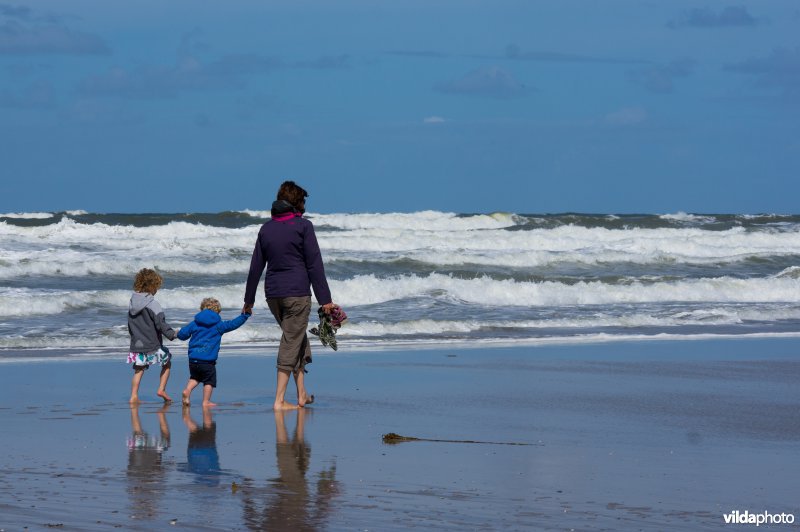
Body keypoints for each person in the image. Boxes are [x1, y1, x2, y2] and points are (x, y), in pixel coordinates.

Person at [243, 180, 336, 410]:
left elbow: (255, 267)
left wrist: (249, 300)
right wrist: (325, 300)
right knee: (291, 341)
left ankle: (301, 394)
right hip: (297, 294)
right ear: (296, 203)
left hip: (273, 295)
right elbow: (315, 265)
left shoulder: (265, 229)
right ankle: (279, 400)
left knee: (296, 338)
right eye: (303, 202)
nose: (304, 206)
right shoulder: (303, 227)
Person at [177, 297, 249, 407]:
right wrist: (244, 315)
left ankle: (187, 390)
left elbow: (182, 335)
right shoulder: (218, 325)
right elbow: (233, 324)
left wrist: (177, 334)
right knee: (209, 381)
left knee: (195, 377)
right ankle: (206, 401)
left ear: (202, 309)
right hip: (207, 362)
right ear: (217, 311)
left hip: (193, 360)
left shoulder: (195, 323)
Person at [127, 268, 178, 404]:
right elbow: (161, 323)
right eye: (157, 287)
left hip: (137, 343)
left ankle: (133, 396)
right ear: (152, 286)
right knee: (167, 363)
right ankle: (161, 389)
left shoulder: (132, 303)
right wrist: (172, 334)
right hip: (152, 344)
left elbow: (130, 325)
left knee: (138, 370)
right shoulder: (153, 304)